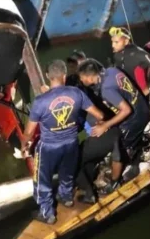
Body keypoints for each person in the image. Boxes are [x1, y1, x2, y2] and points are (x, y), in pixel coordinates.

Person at [20, 60, 104, 224]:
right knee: (67, 172)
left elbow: (29, 132)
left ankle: (47, 213)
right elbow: (99, 115)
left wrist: (24, 146)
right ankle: (66, 198)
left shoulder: (40, 101)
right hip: (71, 142)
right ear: (64, 76)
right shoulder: (77, 93)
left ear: (47, 76)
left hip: (49, 147)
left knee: (42, 179)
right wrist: (101, 126)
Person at [76, 59, 150, 199]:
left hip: (135, 118)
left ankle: (115, 182)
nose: (81, 80)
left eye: (82, 77)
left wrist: (105, 125)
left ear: (89, 77)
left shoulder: (106, 90)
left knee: (118, 149)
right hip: (142, 106)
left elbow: (126, 110)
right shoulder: (111, 71)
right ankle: (135, 151)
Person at [109, 26, 150, 98]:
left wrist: (147, 90)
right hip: (128, 96)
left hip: (141, 97)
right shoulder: (117, 55)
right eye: (112, 41)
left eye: (116, 42)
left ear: (126, 41)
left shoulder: (139, 53)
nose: (112, 45)